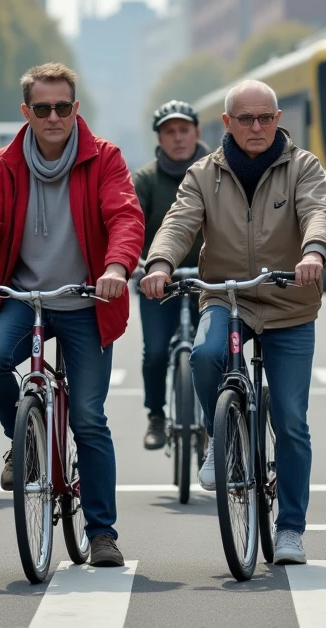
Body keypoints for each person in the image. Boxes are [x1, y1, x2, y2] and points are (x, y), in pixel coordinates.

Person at [0, 63, 143, 568]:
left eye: (62, 107)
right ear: (26, 112)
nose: (53, 116)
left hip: (86, 302)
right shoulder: (4, 165)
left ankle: (102, 533)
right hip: (24, 296)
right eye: (42, 108)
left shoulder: (105, 159)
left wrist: (118, 267)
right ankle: (26, 439)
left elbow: (124, 215)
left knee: (88, 419)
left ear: (75, 109)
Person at [140, 79, 326, 566]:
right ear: (226, 123)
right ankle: (218, 435)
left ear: (277, 120)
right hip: (229, 298)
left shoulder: (304, 166)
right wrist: (161, 262)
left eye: (265, 117)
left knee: (291, 421)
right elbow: (179, 221)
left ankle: (290, 528)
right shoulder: (203, 174)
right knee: (203, 356)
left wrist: (315, 251)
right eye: (245, 118)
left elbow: (319, 212)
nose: (256, 126)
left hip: (290, 303)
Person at [132, 100, 208, 450]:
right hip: (159, 282)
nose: (178, 138)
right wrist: (133, 263)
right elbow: (130, 227)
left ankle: (213, 420)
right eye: (169, 132)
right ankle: (156, 416)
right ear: (159, 139)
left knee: (212, 352)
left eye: (184, 130)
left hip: (210, 282)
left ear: (197, 133)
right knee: (157, 352)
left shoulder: (216, 172)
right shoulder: (145, 179)